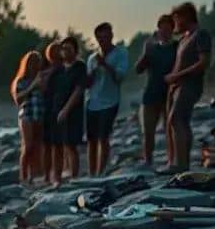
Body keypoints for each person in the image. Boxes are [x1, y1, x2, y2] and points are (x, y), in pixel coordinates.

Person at [164, 2, 211, 172]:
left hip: (190, 84)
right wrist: (173, 80)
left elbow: (204, 63)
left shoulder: (200, 34)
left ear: (186, 17)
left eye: (176, 18)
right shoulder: (184, 39)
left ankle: (181, 164)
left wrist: (177, 76)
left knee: (177, 119)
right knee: (179, 121)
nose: (174, 23)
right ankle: (182, 162)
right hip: (177, 86)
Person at [85, 22, 129, 176]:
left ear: (111, 36)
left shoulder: (120, 53)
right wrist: (93, 72)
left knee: (103, 137)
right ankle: (92, 173)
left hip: (110, 101)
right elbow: (87, 84)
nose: (103, 40)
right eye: (100, 38)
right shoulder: (92, 58)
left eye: (106, 37)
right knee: (91, 139)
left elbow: (120, 77)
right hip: (92, 102)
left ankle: (101, 172)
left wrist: (105, 65)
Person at [134, 14, 177, 166]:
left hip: (169, 94)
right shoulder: (151, 48)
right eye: (162, 29)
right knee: (148, 131)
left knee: (170, 129)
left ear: (172, 30)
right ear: (158, 30)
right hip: (151, 94)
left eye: (167, 29)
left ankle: (172, 160)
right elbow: (138, 69)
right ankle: (148, 161)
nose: (164, 32)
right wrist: (146, 53)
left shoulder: (177, 47)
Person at [47, 36, 87, 184]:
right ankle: (56, 178)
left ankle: (74, 178)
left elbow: (79, 90)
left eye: (69, 49)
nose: (65, 52)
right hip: (55, 111)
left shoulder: (80, 67)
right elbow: (49, 90)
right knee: (56, 145)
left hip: (73, 112)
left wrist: (66, 109)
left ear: (75, 51)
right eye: (63, 49)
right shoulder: (58, 70)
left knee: (71, 145)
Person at [10, 51, 45, 184]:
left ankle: (34, 175)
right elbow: (18, 100)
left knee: (38, 146)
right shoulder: (21, 81)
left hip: (40, 114)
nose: (34, 65)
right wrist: (32, 87)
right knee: (28, 145)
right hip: (26, 114)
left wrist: (42, 85)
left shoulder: (42, 78)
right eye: (31, 62)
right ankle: (23, 175)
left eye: (37, 62)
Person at [39, 41, 62, 184]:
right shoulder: (44, 73)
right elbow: (42, 90)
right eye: (53, 52)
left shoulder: (66, 70)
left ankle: (57, 175)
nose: (56, 55)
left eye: (58, 51)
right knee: (47, 145)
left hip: (60, 110)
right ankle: (48, 176)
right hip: (47, 110)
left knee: (58, 145)